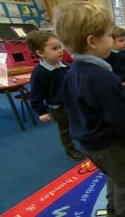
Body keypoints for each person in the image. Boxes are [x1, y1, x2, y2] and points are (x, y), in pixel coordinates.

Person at [53, 1, 125, 216]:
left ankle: (113, 204)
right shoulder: (105, 78)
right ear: (92, 41)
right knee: (124, 178)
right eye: (109, 36)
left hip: (86, 142)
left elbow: (70, 108)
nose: (112, 41)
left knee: (112, 174)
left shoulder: (71, 72)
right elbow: (120, 118)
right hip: (108, 143)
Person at [26, 30, 84, 161]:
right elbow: (36, 94)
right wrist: (41, 111)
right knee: (64, 129)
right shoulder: (39, 73)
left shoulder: (65, 65)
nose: (60, 51)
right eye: (54, 48)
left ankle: (83, 137)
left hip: (73, 102)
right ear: (40, 53)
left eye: (60, 47)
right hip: (58, 108)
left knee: (79, 120)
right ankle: (69, 148)